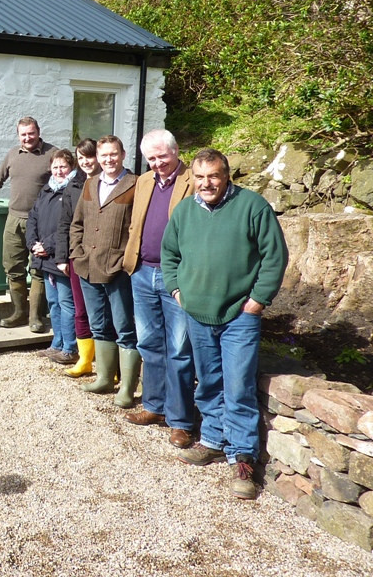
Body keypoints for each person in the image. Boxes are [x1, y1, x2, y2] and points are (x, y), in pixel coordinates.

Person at [162, 148, 288, 500]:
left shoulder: (252, 206)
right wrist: (176, 290)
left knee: (238, 387)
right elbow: (169, 254)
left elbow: (274, 256)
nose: (206, 183)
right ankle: (213, 440)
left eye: (213, 176)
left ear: (226, 175)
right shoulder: (185, 210)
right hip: (197, 313)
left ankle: (243, 457)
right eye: (200, 177)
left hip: (239, 316)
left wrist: (257, 301)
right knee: (210, 383)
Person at [121, 130, 196, 448]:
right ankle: (153, 406)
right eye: (151, 158)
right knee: (149, 344)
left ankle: (180, 420)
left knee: (178, 350)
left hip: (175, 277)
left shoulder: (193, 181)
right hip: (142, 273)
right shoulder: (144, 181)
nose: (157, 163)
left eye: (162, 156)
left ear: (176, 151)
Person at [69, 135, 139, 407]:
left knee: (124, 328)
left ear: (122, 154)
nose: (108, 160)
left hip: (117, 269)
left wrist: (125, 259)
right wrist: (77, 254)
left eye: (113, 154)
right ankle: (104, 378)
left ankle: (127, 390)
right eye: (104, 155)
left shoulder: (135, 185)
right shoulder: (90, 183)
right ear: (97, 158)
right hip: (87, 266)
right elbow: (77, 223)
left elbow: (137, 228)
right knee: (99, 326)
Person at [0, 117, 56, 331]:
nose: (27, 137)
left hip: (41, 222)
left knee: (38, 269)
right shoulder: (13, 154)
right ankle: (19, 312)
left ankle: (36, 317)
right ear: (18, 135)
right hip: (14, 219)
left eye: (31, 133)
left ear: (38, 131)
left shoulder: (52, 154)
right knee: (12, 266)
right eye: (23, 134)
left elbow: (65, 182)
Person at [26, 148, 79, 364]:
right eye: (55, 166)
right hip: (44, 255)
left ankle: (70, 347)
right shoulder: (46, 189)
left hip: (60, 255)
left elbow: (68, 225)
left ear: (71, 167)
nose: (59, 171)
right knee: (53, 302)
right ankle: (56, 343)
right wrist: (33, 243)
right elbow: (33, 217)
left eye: (63, 167)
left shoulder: (74, 190)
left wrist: (47, 245)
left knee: (67, 303)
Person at [56, 139, 100, 377]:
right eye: (81, 158)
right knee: (80, 309)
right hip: (77, 256)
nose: (85, 162)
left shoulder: (111, 183)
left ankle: (107, 364)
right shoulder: (73, 186)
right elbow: (64, 224)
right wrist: (62, 257)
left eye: (89, 157)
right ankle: (84, 360)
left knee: (104, 312)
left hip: (103, 257)